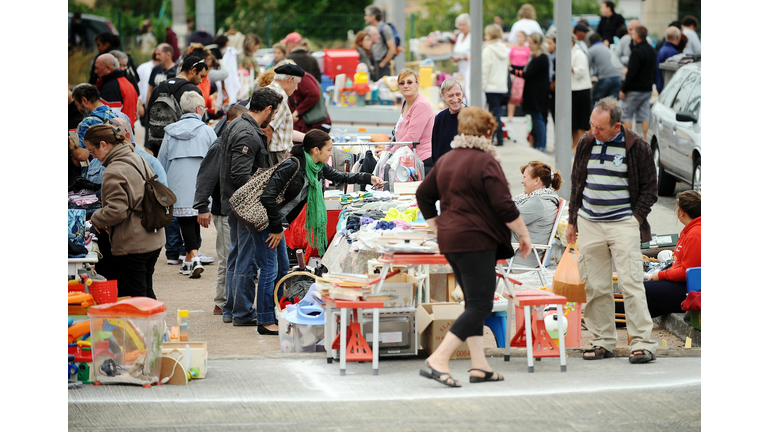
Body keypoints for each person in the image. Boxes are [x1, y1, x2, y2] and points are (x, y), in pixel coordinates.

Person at [416, 106, 532, 387]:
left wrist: (435, 224)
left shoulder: (446, 160)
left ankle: (479, 365)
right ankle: (438, 359)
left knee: (473, 303)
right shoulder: (486, 162)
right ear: (488, 132)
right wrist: (524, 235)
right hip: (476, 241)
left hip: (451, 241)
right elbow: (505, 206)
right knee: (480, 306)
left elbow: (423, 193)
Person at [258, 130, 383, 334]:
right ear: (316, 150)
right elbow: (267, 197)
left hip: (277, 223)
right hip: (267, 223)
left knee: (281, 269)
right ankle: (264, 321)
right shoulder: (293, 165)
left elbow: (341, 176)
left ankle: (276, 313)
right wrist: (275, 228)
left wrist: (369, 177)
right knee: (270, 270)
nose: (330, 154)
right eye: (329, 150)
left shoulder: (316, 167)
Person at [566, 96, 658, 364]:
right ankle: (602, 340)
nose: (594, 131)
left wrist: (635, 218)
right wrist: (572, 221)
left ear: (617, 125)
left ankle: (642, 342)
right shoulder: (586, 142)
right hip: (590, 222)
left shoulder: (636, 147)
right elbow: (576, 183)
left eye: (600, 128)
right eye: (592, 125)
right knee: (595, 286)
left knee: (631, 283)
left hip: (623, 224)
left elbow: (651, 188)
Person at [219, 87, 283, 326]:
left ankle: (231, 309)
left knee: (236, 256)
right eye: (274, 111)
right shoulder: (247, 132)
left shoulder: (237, 125)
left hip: (234, 203)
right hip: (245, 207)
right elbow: (240, 174)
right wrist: (262, 197)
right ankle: (242, 312)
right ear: (267, 109)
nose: (274, 116)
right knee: (246, 259)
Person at [85, 124, 165, 299]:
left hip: (134, 241)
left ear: (104, 145)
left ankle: (148, 325)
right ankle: (155, 325)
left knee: (135, 298)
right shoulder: (137, 158)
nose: (93, 156)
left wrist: (94, 217)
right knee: (145, 292)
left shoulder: (114, 170)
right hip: (152, 235)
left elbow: (116, 211)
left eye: (93, 150)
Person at [194, 104, 248, 315]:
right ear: (229, 122)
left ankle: (228, 299)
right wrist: (201, 206)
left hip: (232, 210)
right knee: (227, 257)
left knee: (232, 256)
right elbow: (205, 177)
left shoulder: (234, 142)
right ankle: (222, 301)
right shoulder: (220, 146)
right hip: (223, 211)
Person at [157, 91, 217, 278]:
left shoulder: (170, 131)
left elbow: (162, 160)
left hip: (176, 181)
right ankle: (195, 256)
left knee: (186, 220)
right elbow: (216, 157)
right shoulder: (207, 130)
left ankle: (191, 259)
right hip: (201, 181)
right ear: (199, 109)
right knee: (194, 217)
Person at [643, 191, 701, 317]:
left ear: (682, 212)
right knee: (649, 304)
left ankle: (601, 318)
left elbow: (686, 272)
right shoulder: (690, 230)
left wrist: (660, 275)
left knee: (643, 289)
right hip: (683, 285)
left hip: (691, 291)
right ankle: (603, 317)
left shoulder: (695, 234)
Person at [146, 55, 207, 155]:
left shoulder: (159, 88)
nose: (201, 81)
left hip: (158, 145)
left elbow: (149, 115)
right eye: (201, 76)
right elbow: (199, 122)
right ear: (193, 70)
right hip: (182, 148)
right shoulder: (193, 91)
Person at [382, 69, 435, 172]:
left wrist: (390, 152)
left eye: (409, 82)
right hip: (407, 159)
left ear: (417, 84)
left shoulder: (420, 105)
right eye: (402, 83)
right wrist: (386, 149)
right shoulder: (406, 103)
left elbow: (411, 138)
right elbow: (399, 134)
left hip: (421, 162)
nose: (405, 85)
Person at [511, 161, 562, 267]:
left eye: (525, 177)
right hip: (519, 252)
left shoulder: (538, 202)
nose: (521, 181)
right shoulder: (540, 198)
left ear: (536, 180)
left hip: (519, 258)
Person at [72, 83, 120, 186]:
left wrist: (72, 148)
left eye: (77, 105)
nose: (78, 109)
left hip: (93, 176)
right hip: (114, 171)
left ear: (84, 100)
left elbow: (82, 155)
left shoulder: (88, 122)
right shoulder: (115, 116)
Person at [266, 63, 307, 165]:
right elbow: (267, 129)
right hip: (274, 154)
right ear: (289, 80)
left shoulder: (266, 90)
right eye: (296, 83)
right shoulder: (279, 98)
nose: (296, 88)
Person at [619, 25, 655, 141]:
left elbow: (631, 73)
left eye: (633, 34)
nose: (631, 35)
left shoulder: (636, 52)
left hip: (634, 89)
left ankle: (627, 140)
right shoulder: (651, 50)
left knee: (626, 114)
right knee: (644, 114)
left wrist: (623, 89)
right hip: (647, 88)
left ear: (638, 36)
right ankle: (644, 139)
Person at [519, 33, 549, 152]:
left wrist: (513, 71)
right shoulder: (536, 57)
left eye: (531, 43)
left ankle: (541, 144)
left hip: (537, 95)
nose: (529, 45)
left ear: (537, 43)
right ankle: (538, 143)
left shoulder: (541, 58)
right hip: (534, 93)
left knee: (538, 119)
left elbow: (527, 74)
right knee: (536, 119)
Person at [94, 53, 139, 128]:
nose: (95, 71)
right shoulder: (128, 84)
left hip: (117, 134)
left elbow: (108, 118)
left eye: (97, 68)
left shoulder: (111, 87)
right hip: (127, 131)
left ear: (108, 68)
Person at [481, 24, 508, 147]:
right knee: (497, 112)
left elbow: (485, 69)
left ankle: (499, 138)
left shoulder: (488, 50)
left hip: (491, 86)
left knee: (494, 113)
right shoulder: (503, 48)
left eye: (486, 34)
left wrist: (482, 85)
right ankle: (497, 137)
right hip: (501, 85)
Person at [431, 78, 464, 163]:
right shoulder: (439, 118)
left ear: (462, 93)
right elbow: (436, 150)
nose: (455, 99)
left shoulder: (471, 116)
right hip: (442, 171)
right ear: (442, 96)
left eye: (458, 94)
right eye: (450, 95)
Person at [587, 33, 622, 108]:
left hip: (605, 77)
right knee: (613, 103)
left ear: (590, 42)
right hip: (617, 76)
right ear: (600, 39)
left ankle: (594, 118)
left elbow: (588, 67)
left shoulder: (591, 50)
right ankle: (612, 119)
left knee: (596, 101)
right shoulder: (606, 47)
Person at [364, 5, 397, 81]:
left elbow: (392, 49)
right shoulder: (370, 29)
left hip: (381, 65)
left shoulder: (384, 28)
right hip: (373, 64)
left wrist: (382, 64)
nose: (365, 17)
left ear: (373, 16)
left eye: (367, 15)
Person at [571, 35, 591, 152]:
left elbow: (581, 72)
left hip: (581, 89)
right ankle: (574, 144)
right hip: (572, 89)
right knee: (573, 120)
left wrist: (570, 68)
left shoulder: (579, 54)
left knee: (581, 120)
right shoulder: (570, 53)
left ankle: (581, 145)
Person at [507, 30, 530, 126]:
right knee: (512, 95)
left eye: (520, 36)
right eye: (517, 36)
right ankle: (510, 116)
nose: (519, 38)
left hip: (523, 72)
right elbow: (510, 59)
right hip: (514, 73)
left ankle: (527, 115)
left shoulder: (528, 49)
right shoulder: (513, 48)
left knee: (525, 94)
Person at [656, 26, 682, 93]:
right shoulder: (673, 53)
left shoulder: (662, 50)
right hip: (668, 89)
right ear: (678, 38)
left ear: (665, 37)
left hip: (661, 87)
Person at [451, 14, 471, 80]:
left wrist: (461, 57)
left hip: (470, 70)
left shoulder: (473, 37)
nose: (461, 27)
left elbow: (476, 56)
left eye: (463, 25)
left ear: (469, 24)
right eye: (459, 25)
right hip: (461, 71)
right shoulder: (460, 36)